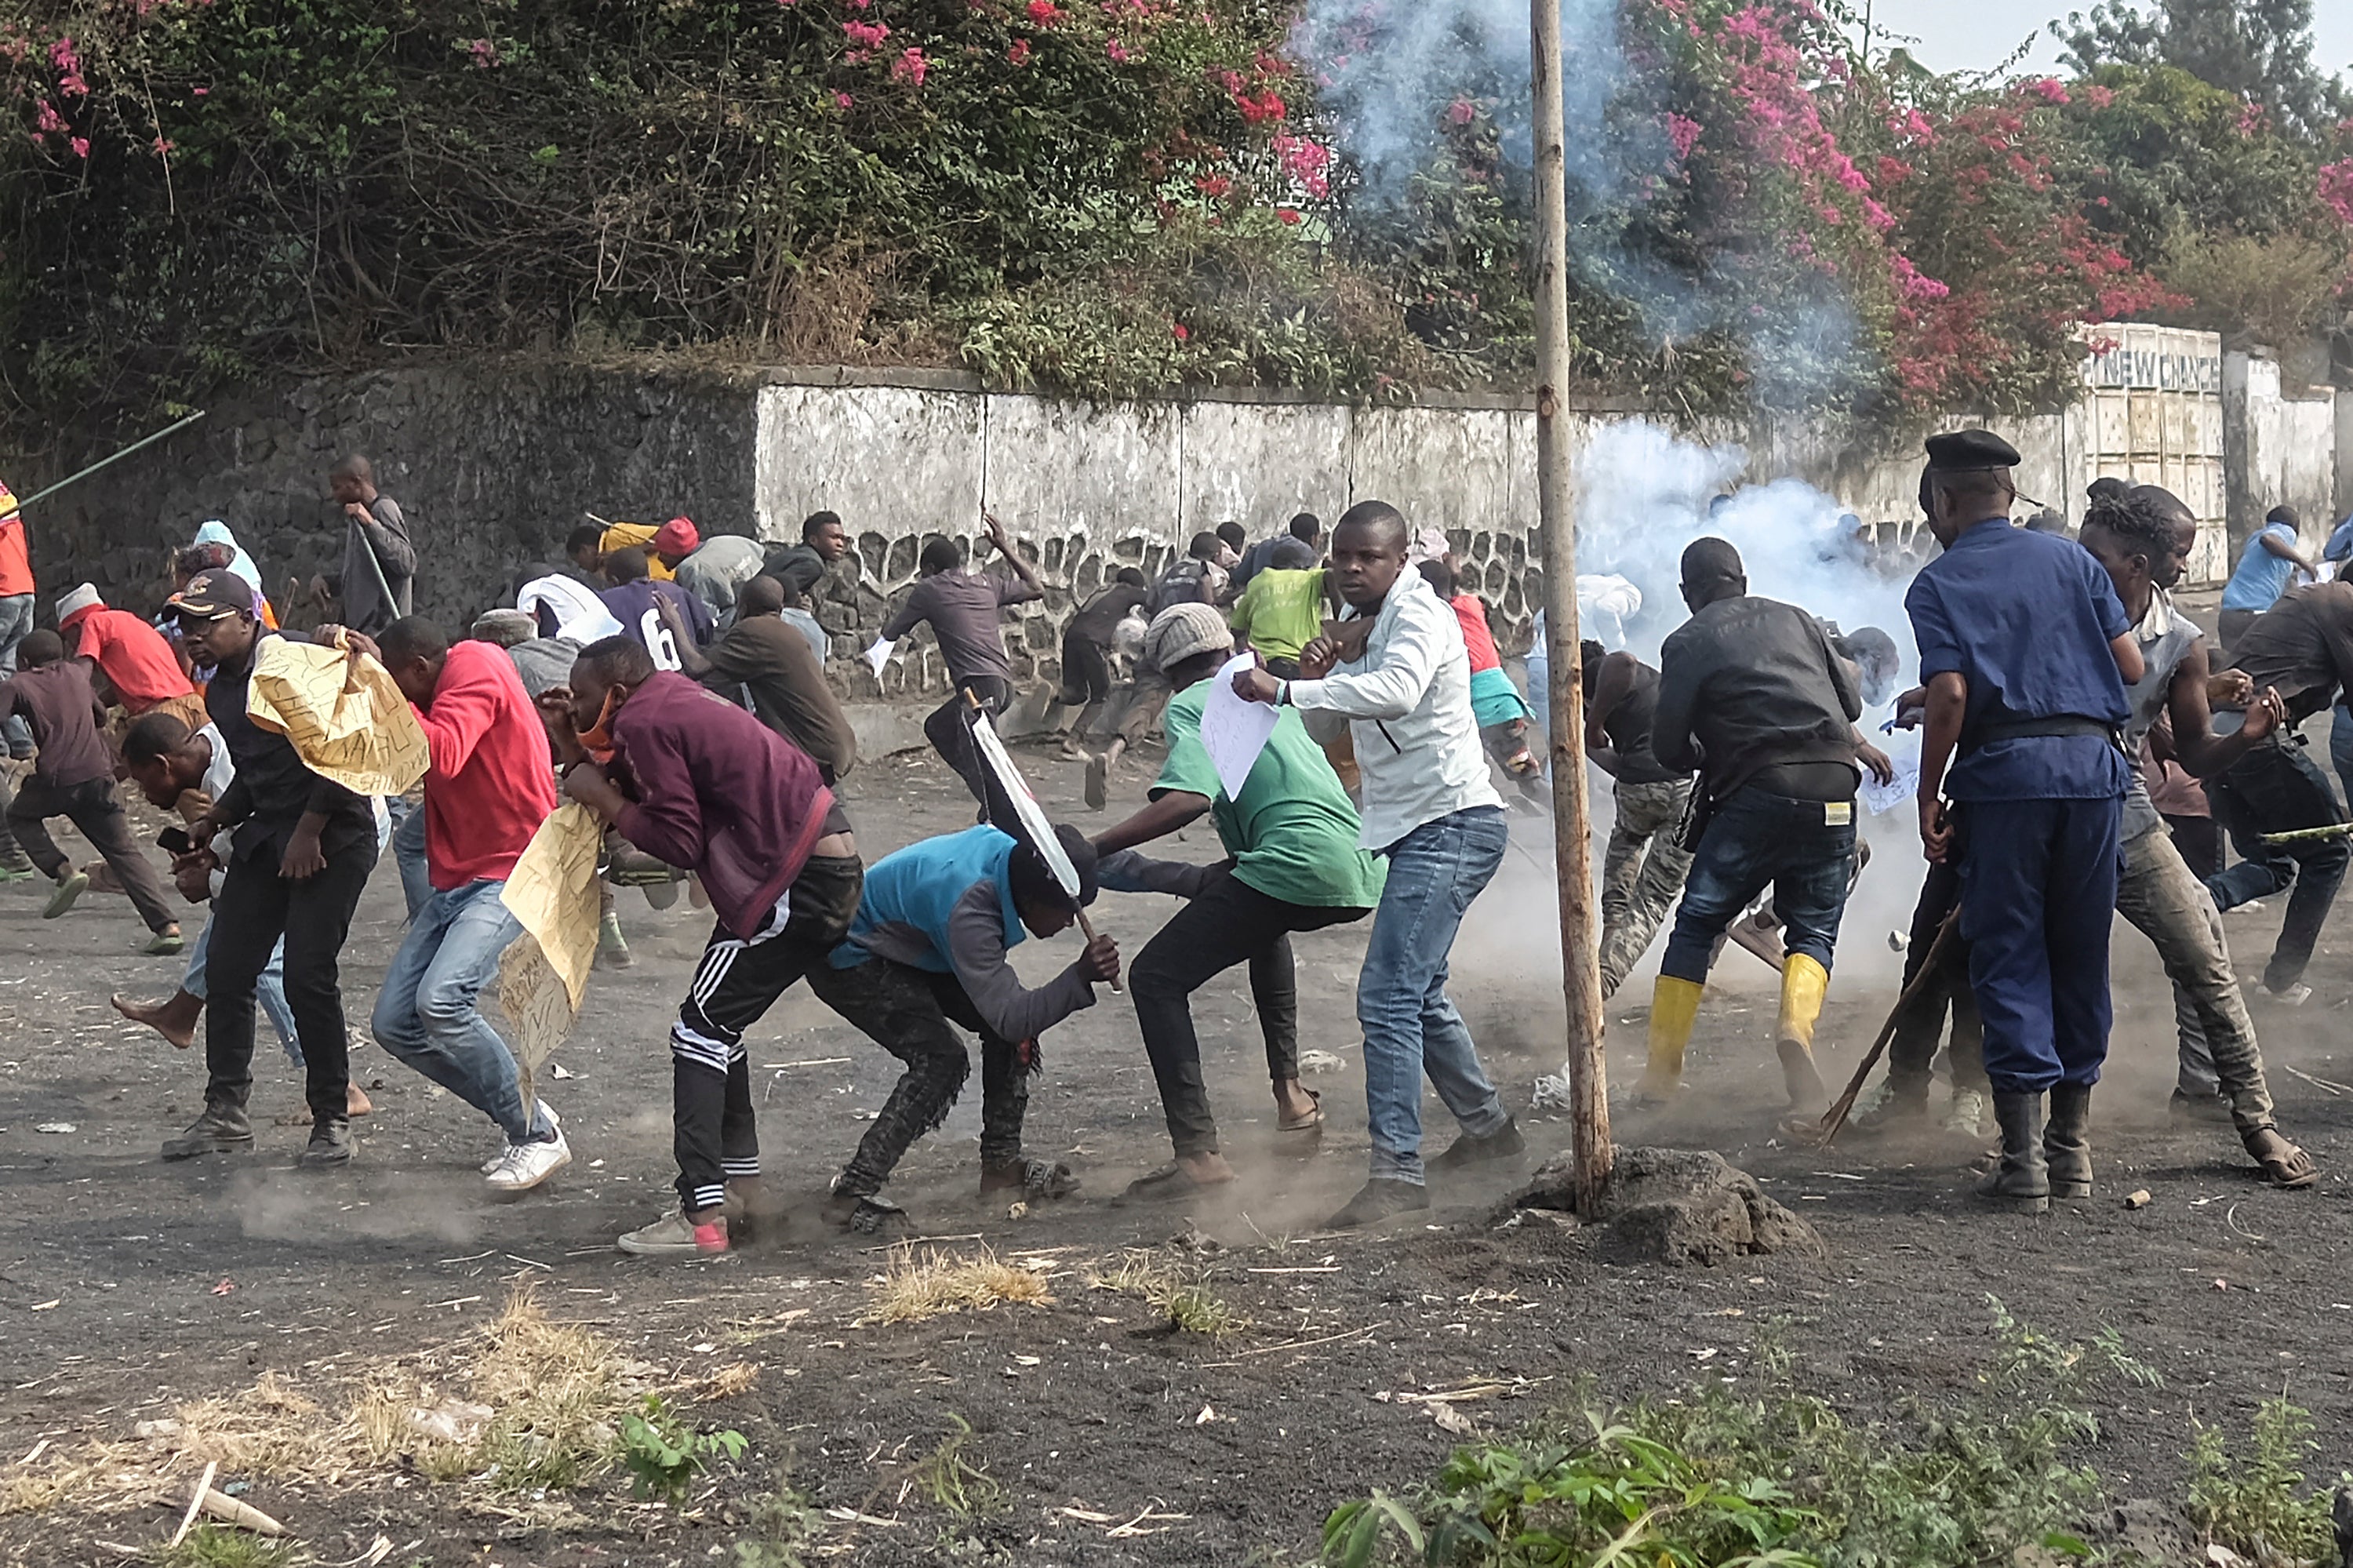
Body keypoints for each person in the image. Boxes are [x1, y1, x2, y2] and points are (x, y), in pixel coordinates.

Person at [1232, 499, 1519, 1228]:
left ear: (1400, 560)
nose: (1352, 568)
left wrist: (1285, 686)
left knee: (1388, 995)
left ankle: (1397, 1173)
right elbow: (1330, 724)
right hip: (1421, 827)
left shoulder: (1420, 615)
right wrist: (1318, 672)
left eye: (1370, 557)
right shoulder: (1365, 625)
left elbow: (1398, 692)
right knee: (1417, 992)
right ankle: (1490, 1132)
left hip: (1452, 822)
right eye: (1343, 556)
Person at [540, 635, 867, 1253]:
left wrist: (602, 796)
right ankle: (742, 1189)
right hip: (815, 866)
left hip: (795, 880)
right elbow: (635, 776)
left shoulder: (642, 722)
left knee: (698, 1033)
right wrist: (572, 741)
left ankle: (701, 1218)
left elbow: (679, 841)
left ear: (616, 693)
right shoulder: (667, 696)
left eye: (582, 697)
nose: (575, 706)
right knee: (717, 1026)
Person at [1907, 429, 2141, 1215]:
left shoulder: (1938, 582)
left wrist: (1928, 791)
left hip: (2008, 785)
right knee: (2080, 950)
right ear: (2009, 495)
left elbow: (1950, 694)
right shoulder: (2074, 562)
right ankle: (2073, 1155)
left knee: (2009, 957)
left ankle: (2024, 1165)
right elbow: (2132, 666)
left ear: (1944, 501)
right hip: (2095, 777)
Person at [1093, 604, 1381, 1193]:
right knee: (1259, 918)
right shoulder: (1274, 694)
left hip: (1294, 861)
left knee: (1155, 976)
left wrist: (1093, 847)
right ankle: (1292, 1097)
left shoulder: (1195, 703)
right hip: (1357, 861)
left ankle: (1199, 1156)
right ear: (1230, 649)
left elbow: (1188, 800)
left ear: (1166, 674)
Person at [2075, 487, 2315, 1185]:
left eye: (2098, 558)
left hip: (2123, 807)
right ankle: (2017, 1128)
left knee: (2204, 947)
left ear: (2138, 564)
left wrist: (2248, 737)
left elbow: (2195, 752)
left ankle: (2255, 1118)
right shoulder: (2059, 608)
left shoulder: (2181, 641)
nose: (2082, 568)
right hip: (2044, 800)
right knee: (2012, 955)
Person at [1635, 537, 1865, 1116]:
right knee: (1814, 930)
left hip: (1757, 792)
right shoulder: (1798, 618)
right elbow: (1852, 705)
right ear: (1742, 580)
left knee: (1698, 925)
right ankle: (1795, 1031)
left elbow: (1667, 748)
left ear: (1687, 593)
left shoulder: (1687, 640)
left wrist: (1707, 751)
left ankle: (1660, 1078)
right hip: (1836, 786)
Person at [160, 570, 381, 1164]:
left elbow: (344, 749)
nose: (194, 636)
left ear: (248, 618)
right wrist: (216, 819)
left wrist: (309, 831)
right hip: (271, 832)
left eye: (207, 622)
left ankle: (332, 1117)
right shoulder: (221, 689)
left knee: (308, 973)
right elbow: (258, 772)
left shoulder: (296, 658)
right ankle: (226, 1111)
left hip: (334, 830)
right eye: (186, 625)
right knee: (228, 967)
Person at [348, 617, 570, 1192]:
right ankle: (523, 1109)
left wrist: (380, 684)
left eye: (398, 683)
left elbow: (441, 753)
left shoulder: (475, 666)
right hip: (463, 878)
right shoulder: (435, 687)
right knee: (394, 1023)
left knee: (442, 1001)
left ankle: (534, 1133)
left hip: (515, 868)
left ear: (420, 669)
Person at [815, 822, 1118, 1227]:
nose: (1071, 923)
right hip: (850, 953)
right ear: (1030, 898)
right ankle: (851, 1195)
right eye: (1066, 912)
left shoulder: (1022, 858)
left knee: (1016, 1035)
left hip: (914, 942)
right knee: (942, 1059)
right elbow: (1012, 1018)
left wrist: (1189, 882)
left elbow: (1118, 864)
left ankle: (1002, 1168)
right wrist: (1079, 977)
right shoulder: (969, 910)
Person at [111, 712, 308, 1071]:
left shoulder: (227, 775)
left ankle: (329, 1075)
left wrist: (212, 881)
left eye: (142, 781)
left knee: (261, 957)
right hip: (294, 833)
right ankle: (181, 1013)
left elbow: (267, 863)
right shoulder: (214, 738)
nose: (144, 794)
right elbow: (244, 840)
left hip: (330, 831)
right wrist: (211, 857)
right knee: (232, 920)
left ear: (163, 765)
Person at [2202, 577, 2353, 1004]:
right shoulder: (2342, 602)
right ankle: (2282, 982)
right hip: (2255, 742)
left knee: (2273, 863)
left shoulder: (2310, 599)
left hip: (2218, 745)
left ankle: (2191, 902)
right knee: (2330, 853)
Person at [0, 630, 183, 950]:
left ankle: (63, 870)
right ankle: (167, 926)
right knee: (123, 851)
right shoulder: (76, 674)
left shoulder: (19, 683)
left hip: (58, 779)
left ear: (24, 661)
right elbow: (99, 716)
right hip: (100, 775)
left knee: (18, 815)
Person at [878, 515, 1046, 806]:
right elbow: (1036, 587)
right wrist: (1003, 546)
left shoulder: (928, 589)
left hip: (978, 689)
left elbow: (893, 631)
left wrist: (876, 651)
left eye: (924, 573)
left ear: (929, 569)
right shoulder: (986, 583)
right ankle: (990, 796)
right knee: (938, 728)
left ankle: (1005, 809)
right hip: (1002, 686)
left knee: (987, 761)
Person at [1579, 640, 1696, 998]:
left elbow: (1623, 661)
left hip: (1650, 789)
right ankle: (1604, 974)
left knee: (1627, 856)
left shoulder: (1600, 673)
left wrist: (1593, 724)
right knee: (1651, 896)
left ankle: (1603, 968)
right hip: (1675, 787)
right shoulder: (1646, 683)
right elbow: (1600, 751)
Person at [662, 573, 856, 784]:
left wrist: (675, 622)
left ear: (743, 607)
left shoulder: (751, 630)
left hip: (815, 753)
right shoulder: (790, 632)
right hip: (839, 743)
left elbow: (696, 666)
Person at [1419, 559, 1542, 798]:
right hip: (1505, 699)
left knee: (1524, 781)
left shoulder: (1434, 621)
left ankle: (1563, 814)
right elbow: (1452, 587)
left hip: (1483, 706)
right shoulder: (1471, 605)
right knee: (1524, 774)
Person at [55, 583, 202, 725]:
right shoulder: (127, 619)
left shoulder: (93, 621)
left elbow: (80, 676)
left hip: (163, 713)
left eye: (67, 636)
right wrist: (97, 704)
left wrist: (65, 710)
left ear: (77, 627)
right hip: (192, 704)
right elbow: (127, 688)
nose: (69, 644)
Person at [1054, 567, 1151, 758]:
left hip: (1072, 636)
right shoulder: (1128, 591)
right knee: (1102, 694)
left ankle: (1055, 694)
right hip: (1093, 642)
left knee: (1077, 692)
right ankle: (1073, 741)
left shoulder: (1102, 591)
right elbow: (1154, 600)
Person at [325, 455, 415, 637]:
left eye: (338, 488)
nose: (334, 495)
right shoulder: (357, 517)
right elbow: (366, 576)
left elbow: (406, 564)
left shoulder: (383, 510)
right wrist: (327, 582)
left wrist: (371, 524)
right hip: (361, 632)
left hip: (384, 634)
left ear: (356, 482)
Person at [2216, 505, 2312, 657]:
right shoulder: (2285, 531)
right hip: (2255, 613)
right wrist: (2305, 563)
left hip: (2229, 614)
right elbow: (2268, 539)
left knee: (2231, 664)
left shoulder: (2253, 538)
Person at [599, 547, 713, 671]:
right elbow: (706, 635)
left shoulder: (606, 601)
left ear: (614, 581)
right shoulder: (678, 592)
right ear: (648, 572)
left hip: (642, 680)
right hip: (688, 678)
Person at [1228, 539, 1327, 679]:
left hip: (1263, 665)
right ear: (1301, 566)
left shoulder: (1256, 582)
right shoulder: (1309, 578)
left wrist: (1246, 652)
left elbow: (1237, 629)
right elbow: (1334, 577)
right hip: (1301, 662)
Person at [660, 518, 766, 623]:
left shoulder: (692, 569)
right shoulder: (723, 540)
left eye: (663, 552)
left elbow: (706, 618)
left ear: (675, 552)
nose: (660, 558)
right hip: (766, 593)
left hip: (743, 617)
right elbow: (762, 553)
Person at [0, 471, 31, 758]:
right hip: (24, 590)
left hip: (3, 593)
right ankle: (20, 740)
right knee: (7, 670)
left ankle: (9, 742)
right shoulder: (7, 499)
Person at [762, 510, 851, 600]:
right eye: (834, 537)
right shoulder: (812, 564)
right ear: (813, 540)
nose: (840, 544)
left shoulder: (800, 553)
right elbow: (774, 593)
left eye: (842, 539)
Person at [1231, 512, 1321, 595]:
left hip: (1258, 598)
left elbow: (1239, 577)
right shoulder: (1307, 552)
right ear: (1314, 538)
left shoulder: (1264, 545)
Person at [1148, 533, 1231, 614]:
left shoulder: (1170, 570)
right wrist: (1210, 605)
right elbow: (1204, 581)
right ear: (1216, 555)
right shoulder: (1209, 569)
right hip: (1189, 615)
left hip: (1164, 616)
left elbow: (1150, 601)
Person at [774, 574, 830, 664]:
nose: (806, 599)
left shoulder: (780, 618)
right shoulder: (820, 633)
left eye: (809, 597)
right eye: (803, 595)